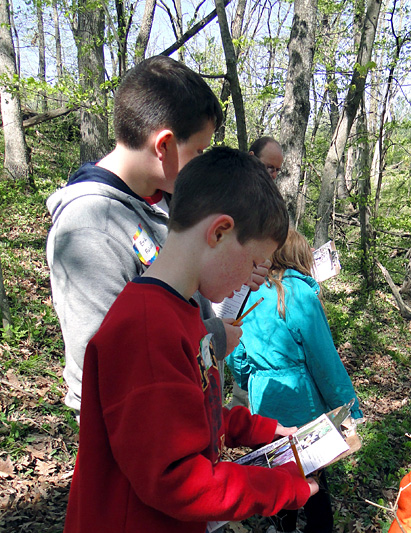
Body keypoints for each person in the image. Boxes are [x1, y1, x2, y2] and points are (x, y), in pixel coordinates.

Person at [62, 147, 319, 533]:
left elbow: (192, 413)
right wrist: (281, 490)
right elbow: (175, 478)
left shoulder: (181, 313)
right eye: (254, 267)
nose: (250, 285)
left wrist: (260, 428)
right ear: (219, 231)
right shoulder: (147, 325)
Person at [46, 55, 268, 419]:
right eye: (197, 150)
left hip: (186, 410)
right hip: (139, 437)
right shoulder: (90, 225)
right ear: (164, 145)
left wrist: (237, 269)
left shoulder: (168, 202)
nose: (199, 161)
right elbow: (109, 362)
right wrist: (210, 339)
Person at [227, 228, 363, 533]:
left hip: (264, 393)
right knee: (311, 463)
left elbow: (235, 351)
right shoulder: (297, 293)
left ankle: (282, 530)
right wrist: (347, 407)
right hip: (299, 393)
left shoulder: (249, 293)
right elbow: (323, 358)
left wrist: (251, 379)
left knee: (279, 461)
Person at [227, 136, 285, 411]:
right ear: (252, 158)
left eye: (277, 170)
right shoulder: (231, 196)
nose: (272, 174)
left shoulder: (269, 201)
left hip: (250, 296)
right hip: (223, 300)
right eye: (268, 167)